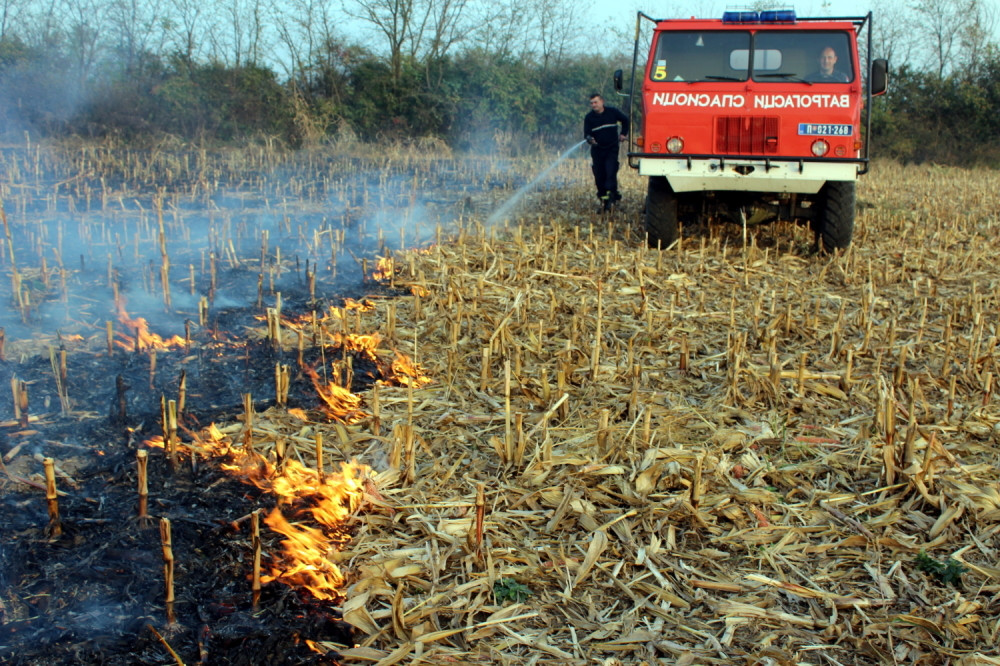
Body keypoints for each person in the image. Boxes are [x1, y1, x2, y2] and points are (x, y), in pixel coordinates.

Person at [583, 93, 629, 211]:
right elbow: (586, 134)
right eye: (591, 103)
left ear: (602, 102)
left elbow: (625, 120)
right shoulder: (589, 118)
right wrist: (590, 139)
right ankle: (604, 200)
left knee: (610, 173)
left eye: (596, 102)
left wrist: (623, 133)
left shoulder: (612, 112)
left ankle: (611, 199)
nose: (594, 105)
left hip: (611, 149)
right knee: (599, 176)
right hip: (597, 150)